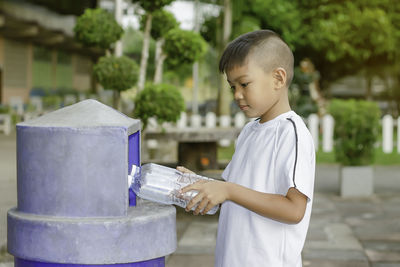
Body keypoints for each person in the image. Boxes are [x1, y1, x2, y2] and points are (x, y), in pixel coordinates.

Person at [178, 29, 315, 267]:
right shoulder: (250, 131)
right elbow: (235, 187)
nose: (237, 95)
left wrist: (228, 190)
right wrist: (204, 184)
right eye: (233, 87)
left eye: (244, 84)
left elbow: (295, 210)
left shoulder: (291, 133)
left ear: (278, 79)